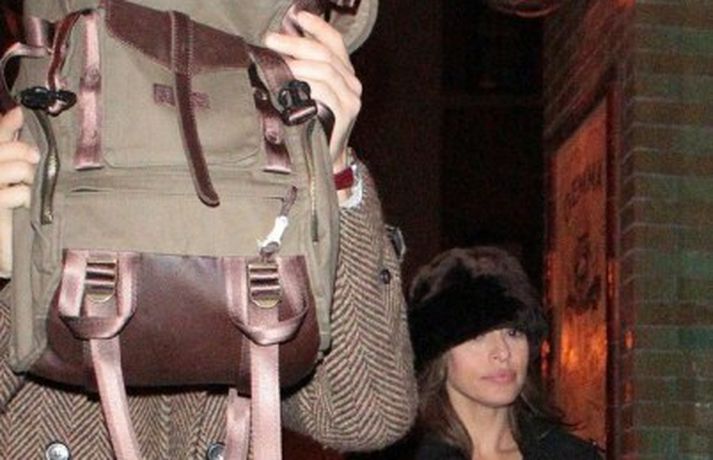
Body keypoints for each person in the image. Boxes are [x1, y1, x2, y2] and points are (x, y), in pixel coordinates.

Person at [0, 4, 417, 459]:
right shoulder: (23, 141)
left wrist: (330, 175)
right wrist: (8, 279)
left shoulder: (268, 161)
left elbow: (365, 418)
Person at [407, 246, 602, 460]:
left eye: (513, 333)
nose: (503, 352)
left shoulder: (572, 455)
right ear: (439, 354)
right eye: (478, 336)